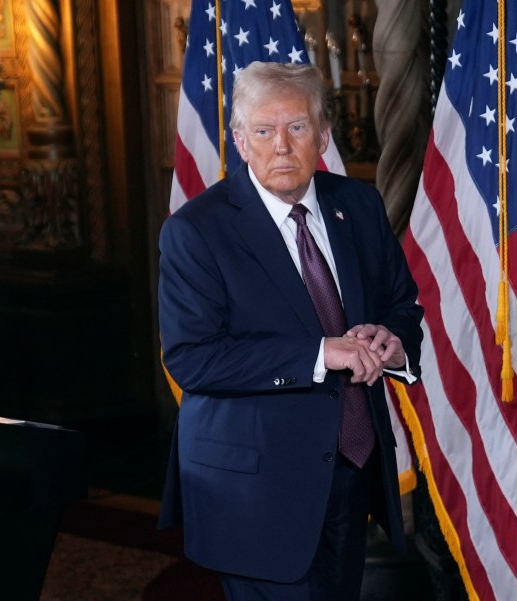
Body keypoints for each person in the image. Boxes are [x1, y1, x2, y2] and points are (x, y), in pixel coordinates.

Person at [157, 61, 424, 601]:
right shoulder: (196, 231)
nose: (282, 145)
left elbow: (402, 305)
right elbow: (193, 358)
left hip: (352, 471)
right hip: (257, 490)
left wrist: (392, 343)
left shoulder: (360, 205)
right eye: (264, 130)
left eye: (297, 127)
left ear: (322, 136)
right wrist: (322, 353)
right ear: (239, 139)